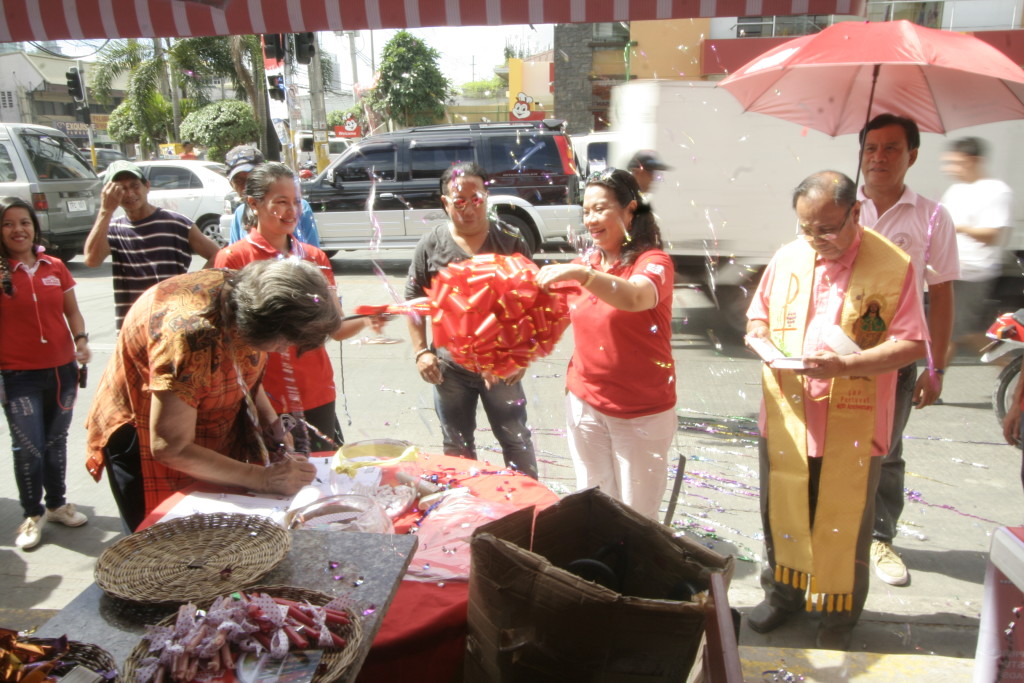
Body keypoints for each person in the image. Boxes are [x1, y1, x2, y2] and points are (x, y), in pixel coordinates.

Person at [745, 171, 928, 650]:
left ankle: (837, 619)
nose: (815, 239)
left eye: (827, 228)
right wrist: (759, 337)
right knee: (781, 512)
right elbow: (758, 314)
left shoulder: (893, 266)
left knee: (844, 525)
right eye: (806, 227)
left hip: (853, 425)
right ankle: (782, 596)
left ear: (856, 213)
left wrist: (846, 365)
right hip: (788, 419)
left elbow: (910, 344)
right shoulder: (789, 257)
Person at [85, 259, 339, 532]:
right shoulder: (191, 336)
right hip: (146, 437)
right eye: (285, 342)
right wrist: (262, 478)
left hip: (201, 429)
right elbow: (170, 447)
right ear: (260, 323)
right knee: (168, 549)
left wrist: (270, 423)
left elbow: (245, 369)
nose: (284, 350)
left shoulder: (246, 293)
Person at [536, 168, 676, 520]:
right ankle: (600, 574)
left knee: (637, 518)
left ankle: (634, 575)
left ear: (631, 210)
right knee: (594, 508)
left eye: (600, 209)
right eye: (586, 211)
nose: (591, 219)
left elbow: (635, 298)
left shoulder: (653, 262)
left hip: (640, 412)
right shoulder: (586, 263)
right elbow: (552, 321)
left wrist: (584, 275)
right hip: (585, 405)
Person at [857, 114, 959, 588]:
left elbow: (940, 295)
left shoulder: (932, 216)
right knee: (830, 445)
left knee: (887, 449)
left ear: (912, 156)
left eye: (891, 149)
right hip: (840, 354)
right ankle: (832, 532)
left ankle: (880, 536)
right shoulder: (841, 209)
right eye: (871, 148)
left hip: (898, 354)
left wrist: (935, 368)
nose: (879, 158)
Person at [214, 162, 377, 451]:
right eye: (281, 202)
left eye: (296, 202)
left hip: (316, 390)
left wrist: (368, 317)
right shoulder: (233, 259)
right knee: (275, 479)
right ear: (254, 204)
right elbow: (231, 342)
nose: (292, 211)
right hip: (263, 394)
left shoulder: (314, 257)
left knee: (324, 473)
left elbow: (335, 329)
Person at [406, 162, 538, 479]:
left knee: (515, 439)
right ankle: (466, 509)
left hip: (502, 365)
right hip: (449, 369)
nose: (468, 209)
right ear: (445, 203)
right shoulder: (430, 245)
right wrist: (421, 351)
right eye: (459, 201)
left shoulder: (510, 239)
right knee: (457, 447)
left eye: (475, 199)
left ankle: (531, 511)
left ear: (486, 197)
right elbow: (413, 300)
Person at [0, 196, 92, 549]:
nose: (17, 230)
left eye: (24, 222)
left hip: (61, 373)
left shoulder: (53, 266)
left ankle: (56, 504)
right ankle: (31, 514)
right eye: (8, 223)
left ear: (34, 226)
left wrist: (80, 339)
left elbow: (73, 313)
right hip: (17, 375)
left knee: (55, 443)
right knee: (28, 447)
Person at [83, 160, 220, 331]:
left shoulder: (177, 223)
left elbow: (218, 256)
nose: (129, 193)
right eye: (121, 189)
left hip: (172, 324)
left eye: (134, 186)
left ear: (147, 186)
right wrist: (105, 210)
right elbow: (91, 260)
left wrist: (191, 286)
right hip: (133, 326)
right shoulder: (113, 229)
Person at [941, 137, 1013, 355]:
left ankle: (931, 386)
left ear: (972, 160)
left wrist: (960, 228)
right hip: (950, 271)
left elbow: (993, 235)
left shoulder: (996, 191)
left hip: (973, 274)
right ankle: (1010, 367)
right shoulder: (955, 190)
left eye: (955, 162)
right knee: (951, 332)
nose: (949, 168)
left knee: (953, 334)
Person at [224, 145, 321, 248]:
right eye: (239, 181)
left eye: (252, 178)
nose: (246, 185)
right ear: (231, 184)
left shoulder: (299, 208)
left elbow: (312, 256)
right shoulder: (240, 214)